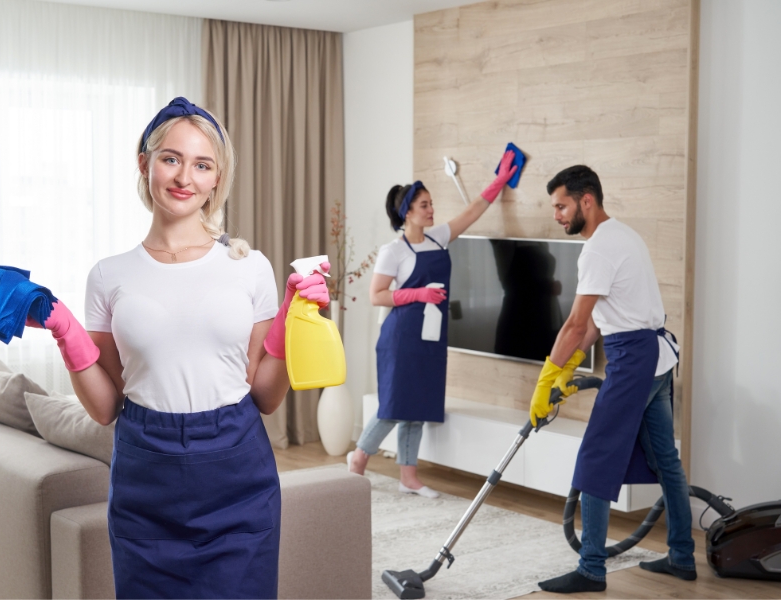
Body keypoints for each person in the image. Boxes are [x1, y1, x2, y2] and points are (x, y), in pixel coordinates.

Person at [27, 97, 330, 599]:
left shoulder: (249, 266)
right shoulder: (109, 275)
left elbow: (267, 397)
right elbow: (105, 407)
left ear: (216, 179)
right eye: (171, 158)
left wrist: (294, 318)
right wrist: (64, 326)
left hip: (237, 469)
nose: (184, 176)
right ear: (145, 164)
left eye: (201, 164)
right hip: (147, 474)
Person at [531, 165, 694, 593]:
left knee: (596, 459)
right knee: (666, 461)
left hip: (633, 361)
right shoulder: (624, 235)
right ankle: (681, 555)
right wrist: (565, 370)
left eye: (562, 205)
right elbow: (593, 328)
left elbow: (574, 325)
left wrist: (546, 376)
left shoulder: (598, 249)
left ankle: (591, 569)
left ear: (587, 199)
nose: (558, 215)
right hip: (655, 360)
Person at [347, 151, 518, 496]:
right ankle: (359, 458)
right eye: (424, 205)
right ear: (407, 212)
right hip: (400, 337)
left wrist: (498, 181)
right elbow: (377, 295)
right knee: (394, 405)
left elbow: (472, 212)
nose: (431, 209)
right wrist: (418, 294)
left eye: (431, 203)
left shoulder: (439, 236)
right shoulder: (393, 251)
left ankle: (409, 477)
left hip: (431, 335)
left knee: (418, 406)